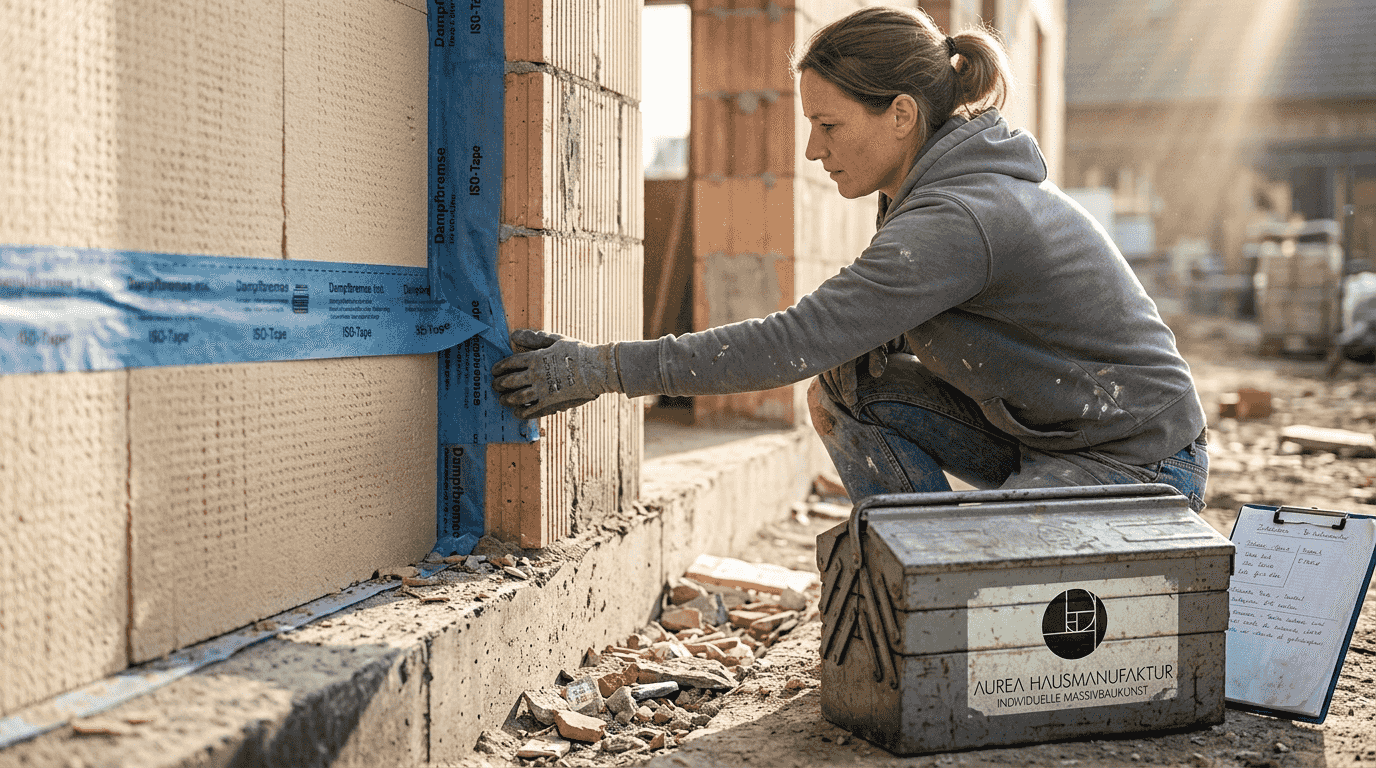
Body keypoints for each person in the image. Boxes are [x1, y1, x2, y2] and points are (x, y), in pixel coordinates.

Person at [492, 6, 1209, 511]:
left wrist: (602, 369)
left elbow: (793, 341)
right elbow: (840, 341)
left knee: (981, 595)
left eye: (828, 124)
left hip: (1137, 459)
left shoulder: (958, 215)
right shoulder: (929, 193)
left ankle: (932, 569)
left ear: (901, 114)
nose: (813, 150)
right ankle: (918, 558)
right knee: (849, 383)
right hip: (1047, 435)